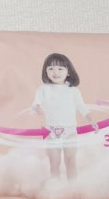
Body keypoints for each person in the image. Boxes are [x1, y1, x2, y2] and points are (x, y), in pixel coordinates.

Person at [32, 53, 98, 182]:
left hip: (70, 132)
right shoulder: (44, 89)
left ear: (68, 71)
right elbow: (35, 103)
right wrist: (37, 108)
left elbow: (82, 107)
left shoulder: (73, 90)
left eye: (60, 68)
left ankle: (72, 188)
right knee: (54, 163)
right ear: (46, 71)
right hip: (51, 132)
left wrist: (92, 121)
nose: (55, 72)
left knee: (70, 161)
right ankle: (56, 189)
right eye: (51, 68)